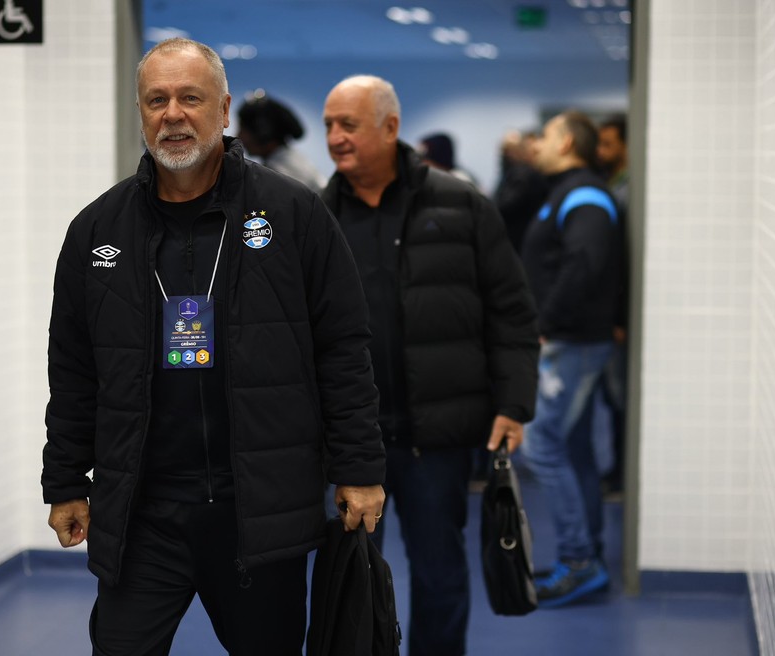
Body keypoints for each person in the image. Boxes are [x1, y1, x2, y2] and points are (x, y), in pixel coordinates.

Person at [41, 38, 386, 656]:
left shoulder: (293, 214)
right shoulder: (97, 230)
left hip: (256, 511)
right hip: (142, 512)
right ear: (141, 113)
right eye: (157, 100)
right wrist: (65, 478)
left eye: (190, 98)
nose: (173, 114)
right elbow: (73, 367)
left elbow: (343, 349)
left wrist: (358, 468)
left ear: (223, 110)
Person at [321, 75, 539, 656]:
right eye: (329, 126)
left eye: (349, 125)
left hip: (436, 439)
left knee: (440, 573)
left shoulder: (461, 204)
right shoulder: (315, 216)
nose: (335, 137)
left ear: (390, 127)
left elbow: (511, 310)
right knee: (349, 580)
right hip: (349, 441)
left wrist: (514, 402)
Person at [519, 109, 622, 608]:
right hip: (570, 341)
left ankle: (580, 561)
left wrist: (545, 324)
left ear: (565, 143)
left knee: (541, 446)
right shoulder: (566, 193)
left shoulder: (584, 196)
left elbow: (584, 264)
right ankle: (588, 555)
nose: (535, 144)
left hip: (570, 343)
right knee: (573, 446)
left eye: (545, 136)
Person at [595, 112, 629, 495]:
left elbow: (623, 259)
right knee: (612, 395)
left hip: (618, 317)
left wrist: (620, 317)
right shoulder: (612, 183)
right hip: (611, 315)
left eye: (609, 144)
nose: (602, 151)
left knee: (620, 398)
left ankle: (621, 472)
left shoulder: (628, 189)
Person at [236, 91, 327, 191]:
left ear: (264, 133)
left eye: (243, 130)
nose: (238, 136)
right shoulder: (286, 163)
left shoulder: (283, 173)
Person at [491, 129, 549, 254]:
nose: (504, 154)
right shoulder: (513, 174)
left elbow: (504, 205)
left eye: (508, 150)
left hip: (519, 242)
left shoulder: (522, 175)